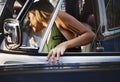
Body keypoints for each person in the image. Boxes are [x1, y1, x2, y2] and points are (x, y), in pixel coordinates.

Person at [25, 0, 96, 62]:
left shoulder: (57, 17)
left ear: (37, 13)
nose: (30, 23)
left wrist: (63, 45)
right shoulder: (45, 31)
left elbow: (90, 35)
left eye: (29, 17)